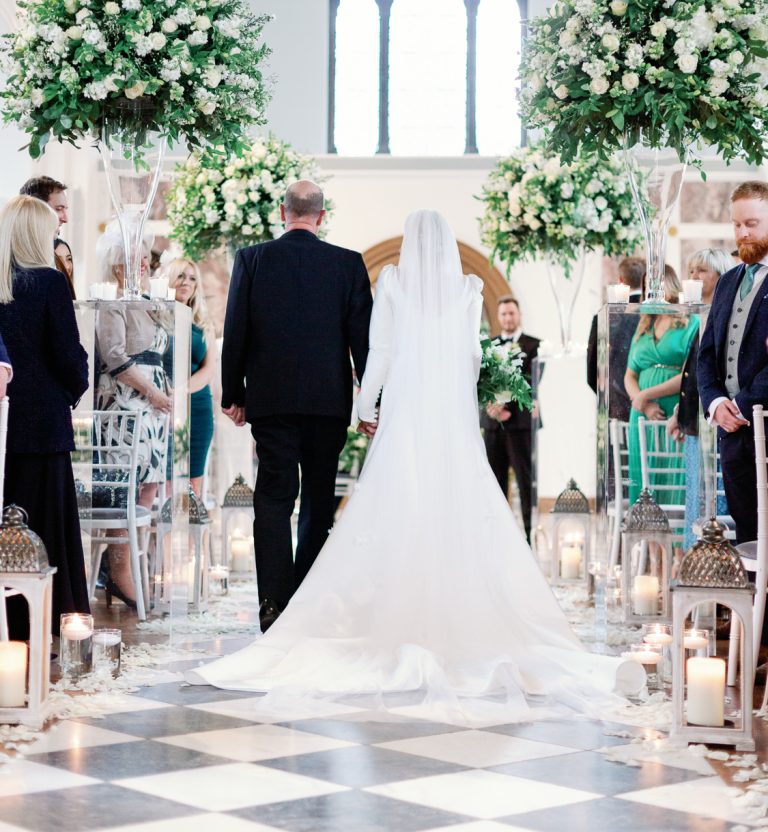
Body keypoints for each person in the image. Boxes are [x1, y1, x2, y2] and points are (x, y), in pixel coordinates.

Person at [192, 210, 643, 720]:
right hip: (446, 419)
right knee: (445, 504)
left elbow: (379, 349)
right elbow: (471, 358)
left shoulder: (392, 283)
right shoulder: (468, 290)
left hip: (397, 414)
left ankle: (305, 608)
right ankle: (455, 614)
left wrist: (367, 406)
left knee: (359, 504)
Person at [221, 180, 372, 632]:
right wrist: (369, 402)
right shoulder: (347, 264)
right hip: (328, 402)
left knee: (273, 496)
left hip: (272, 401)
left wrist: (234, 394)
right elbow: (363, 341)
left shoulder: (252, 259)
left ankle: (273, 604)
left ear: (283, 213)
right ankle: (306, 597)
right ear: (321, 217)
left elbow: (236, 331)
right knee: (319, 500)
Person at [0, 195, 90, 637]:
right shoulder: (50, 283)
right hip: (46, 424)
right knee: (47, 529)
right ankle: (52, 623)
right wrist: (77, 386)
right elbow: (69, 355)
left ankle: (7, 626)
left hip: (6, 427)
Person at [94, 226, 172, 607]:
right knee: (124, 490)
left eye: (145, 258)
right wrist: (154, 392)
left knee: (150, 486)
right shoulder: (114, 304)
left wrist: (165, 392)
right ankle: (119, 571)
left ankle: (134, 570)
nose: (145, 263)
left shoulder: (147, 301)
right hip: (127, 407)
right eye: (137, 259)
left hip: (154, 410)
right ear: (119, 266)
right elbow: (115, 358)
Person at [698, 181, 768, 545]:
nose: (742, 233)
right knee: (745, 529)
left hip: (764, 424)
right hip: (729, 430)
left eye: (752, 223)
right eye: (737, 224)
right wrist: (714, 403)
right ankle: (750, 599)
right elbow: (706, 352)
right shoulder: (727, 282)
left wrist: (741, 405)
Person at [667, 249, 734, 548]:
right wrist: (680, 414)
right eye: (691, 270)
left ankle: (718, 558)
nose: (692, 277)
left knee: (716, 499)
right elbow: (693, 374)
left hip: (717, 424)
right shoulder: (698, 317)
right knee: (694, 495)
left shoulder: (726, 316)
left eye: (701, 271)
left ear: (720, 275)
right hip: (695, 425)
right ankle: (697, 559)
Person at [624, 266, 699, 504]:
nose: (652, 290)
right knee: (645, 476)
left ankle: (675, 541)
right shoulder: (644, 324)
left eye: (658, 283)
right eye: (648, 286)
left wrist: (647, 394)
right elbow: (629, 375)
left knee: (673, 476)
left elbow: (690, 374)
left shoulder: (690, 321)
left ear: (672, 284)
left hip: (674, 410)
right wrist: (642, 403)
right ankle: (651, 541)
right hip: (642, 415)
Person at [479, 296, 539, 540]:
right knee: (494, 482)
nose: (507, 318)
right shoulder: (489, 346)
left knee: (525, 481)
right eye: (503, 314)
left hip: (520, 424)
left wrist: (507, 406)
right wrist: (491, 406)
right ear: (498, 316)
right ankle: (498, 536)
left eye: (511, 313)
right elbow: (481, 379)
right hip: (493, 424)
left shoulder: (533, 345)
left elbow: (532, 380)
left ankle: (527, 534)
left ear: (519, 314)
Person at [167, 258, 215, 495]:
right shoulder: (157, 317)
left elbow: (208, 369)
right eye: (181, 276)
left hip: (197, 405)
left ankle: (190, 532)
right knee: (164, 481)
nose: (186, 282)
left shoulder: (203, 323)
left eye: (192, 278)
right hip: (163, 404)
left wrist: (183, 391)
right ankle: (161, 532)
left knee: (193, 483)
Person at [586, 256, 645, 412]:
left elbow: (592, 369)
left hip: (615, 404)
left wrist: (608, 398)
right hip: (650, 400)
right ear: (646, 279)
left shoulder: (604, 317)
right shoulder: (656, 314)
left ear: (621, 280)